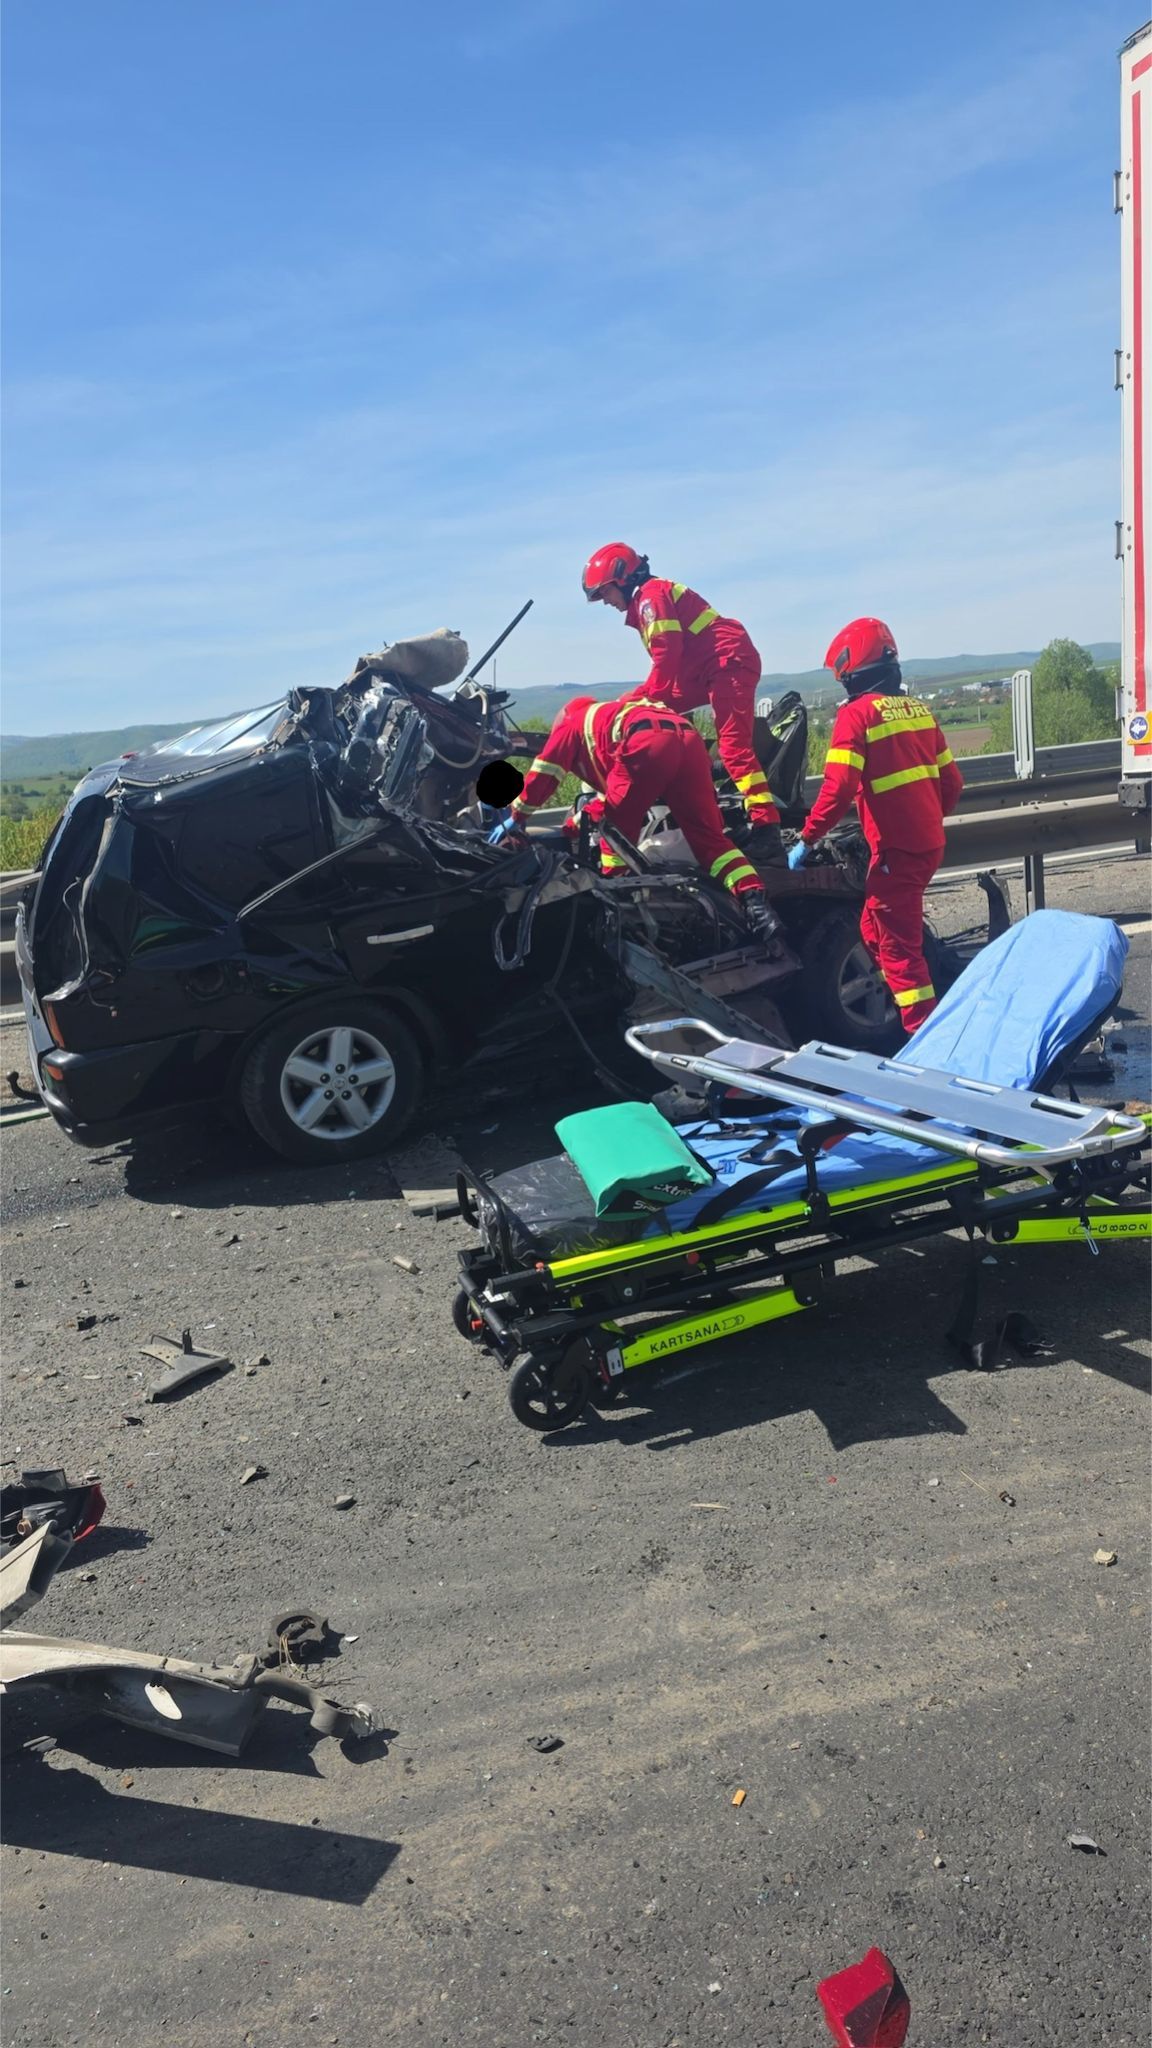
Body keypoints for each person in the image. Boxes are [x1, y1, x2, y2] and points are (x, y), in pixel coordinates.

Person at [788, 617, 963, 1032]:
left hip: (896, 852)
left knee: (899, 950)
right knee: (872, 928)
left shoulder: (856, 716)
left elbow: (837, 789)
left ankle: (926, 1037)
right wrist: (922, 818)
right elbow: (952, 784)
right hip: (927, 844)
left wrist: (807, 839)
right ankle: (901, 1004)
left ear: (854, 670)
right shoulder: (920, 712)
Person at [492, 692, 781, 944]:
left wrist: (517, 815)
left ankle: (616, 915)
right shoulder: (610, 719)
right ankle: (758, 907)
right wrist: (570, 827)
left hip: (645, 741)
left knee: (615, 838)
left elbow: (546, 771)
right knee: (711, 840)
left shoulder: (571, 722)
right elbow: (615, 800)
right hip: (688, 740)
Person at [580, 543, 784, 859]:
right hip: (707, 668)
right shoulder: (649, 597)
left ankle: (767, 830)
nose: (605, 601)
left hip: (727, 663)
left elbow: (667, 655)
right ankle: (705, 799)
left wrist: (644, 697)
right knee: (645, 715)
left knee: (734, 749)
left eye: (605, 592)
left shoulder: (651, 598)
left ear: (622, 578)